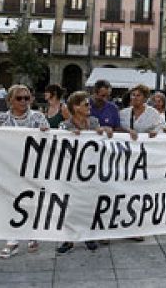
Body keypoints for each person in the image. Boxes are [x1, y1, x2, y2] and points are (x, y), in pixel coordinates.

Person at [0, 85, 49, 259]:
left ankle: (32, 234)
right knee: (11, 202)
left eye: (27, 98)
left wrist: (47, 134)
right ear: (10, 100)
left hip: (33, 167)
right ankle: (12, 240)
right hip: (10, 168)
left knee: (31, 201)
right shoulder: (1, 120)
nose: (24, 101)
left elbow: (50, 141)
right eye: (19, 98)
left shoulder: (38, 117)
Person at [56, 91, 112, 254]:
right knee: (70, 206)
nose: (90, 107)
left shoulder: (94, 122)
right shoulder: (65, 125)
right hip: (71, 172)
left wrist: (106, 132)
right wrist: (67, 136)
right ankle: (69, 239)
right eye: (86, 104)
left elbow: (101, 137)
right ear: (75, 107)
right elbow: (57, 144)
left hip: (90, 171)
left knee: (89, 203)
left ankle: (88, 235)